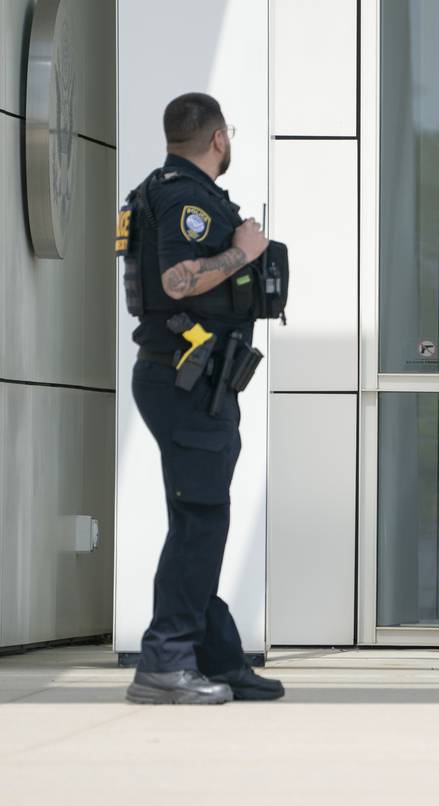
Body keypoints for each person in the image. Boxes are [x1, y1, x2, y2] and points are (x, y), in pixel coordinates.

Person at [120, 93, 284, 703]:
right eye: (229, 134)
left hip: (190, 378)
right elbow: (174, 280)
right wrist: (245, 250)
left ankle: (216, 656)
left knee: (199, 519)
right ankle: (166, 662)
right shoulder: (186, 197)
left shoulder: (163, 188)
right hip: (185, 379)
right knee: (200, 521)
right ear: (218, 138)